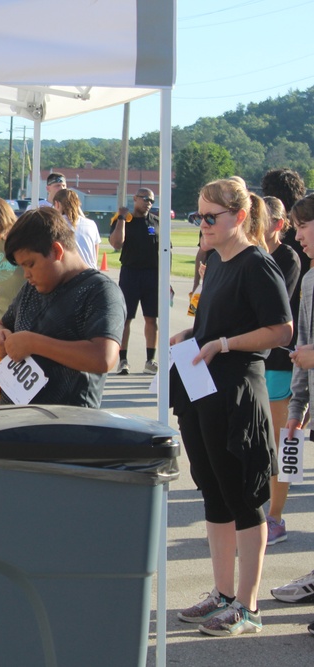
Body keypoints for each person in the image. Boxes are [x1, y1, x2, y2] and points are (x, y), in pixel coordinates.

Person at [171, 179, 292, 637]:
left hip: (239, 392)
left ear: (238, 217)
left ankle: (248, 605)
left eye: (209, 217)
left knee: (245, 497)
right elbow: (211, 319)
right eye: (197, 216)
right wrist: (193, 336)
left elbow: (281, 330)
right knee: (214, 492)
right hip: (203, 389)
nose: (201, 225)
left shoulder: (257, 264)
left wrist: (225, 343)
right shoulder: (214, 261)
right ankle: (223, 594)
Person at [0, 207, 124, 406]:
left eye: (30, 264)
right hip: (17, 419)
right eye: (22, 267)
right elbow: (2, 324)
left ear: (56, 250)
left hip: (66, 426)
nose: (26, 274)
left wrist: (33, 343)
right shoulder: (32, 287)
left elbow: (104, 357)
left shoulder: (100, 291)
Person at [272, 194, 314, 637]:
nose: (296, 235)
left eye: (303, 225)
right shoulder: (311, 280)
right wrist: (297, 411)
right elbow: (301, 349)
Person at [259, 195, 300, 546]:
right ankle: (262, 511)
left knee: (282, 442)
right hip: (257, 361)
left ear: (277, 223)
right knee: (261, 441)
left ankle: (276, 517)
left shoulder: (287, 258)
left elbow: (274, 308)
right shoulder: (253, 255)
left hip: (282, 362)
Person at [109, 187, 161, 375]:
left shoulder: (156, 222)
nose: (148, 203)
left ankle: (150, 360)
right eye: (145, 199)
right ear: (135, 199)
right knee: (126, 318)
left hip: (152, 274)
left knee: (151, 318)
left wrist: (166, 278)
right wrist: (122, 218)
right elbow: (116, 243)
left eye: (152, 200)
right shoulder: (123, 220)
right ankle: (123, 360)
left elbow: (165, 250)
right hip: (130, 273)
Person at [52, 188, 100, 270]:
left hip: (70, 274)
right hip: (92, 273)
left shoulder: (55, 224)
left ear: (57, 204)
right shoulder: (91, 224)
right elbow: (95, 254)